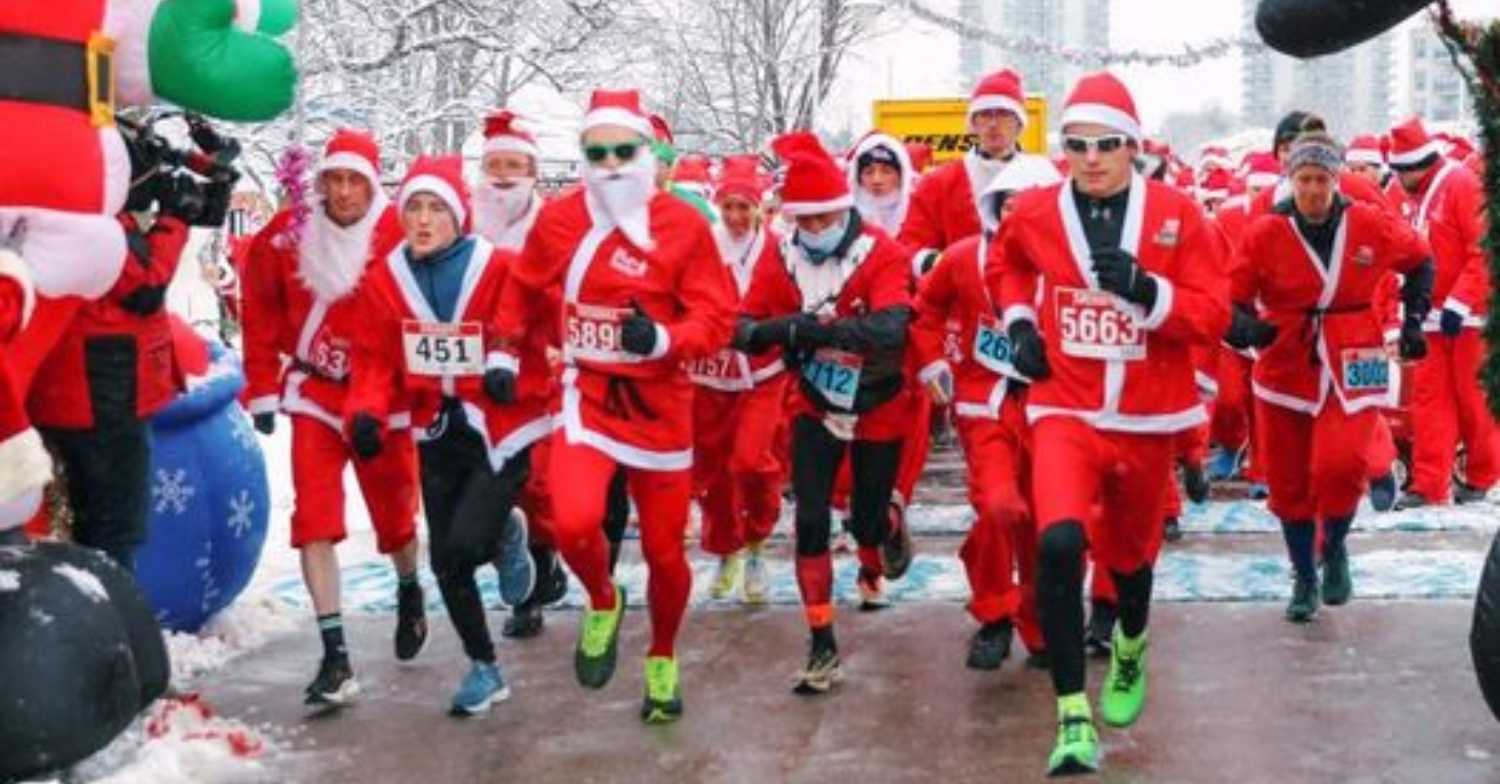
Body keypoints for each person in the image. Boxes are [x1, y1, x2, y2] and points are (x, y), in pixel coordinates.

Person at [990, 71, 1230, 775]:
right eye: (1077, 144)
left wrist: (1148, 292)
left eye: (1106, 144)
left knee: (1130, 563)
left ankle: (1131, 641)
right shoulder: (1035, 211)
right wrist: (1020, 322)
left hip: (1149, 416)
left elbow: (1212, 314)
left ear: (1134, 146)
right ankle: (1071, 715)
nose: (1091, 157)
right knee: (1059, 543)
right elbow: (1005, 268)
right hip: (1064, 405)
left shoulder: (1178, 214)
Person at [494, 89, 736, 724]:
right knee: (572, 519)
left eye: (623, 150)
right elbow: (524, 285)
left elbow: (716, 315)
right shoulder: (560, 219)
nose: (610, 164)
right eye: (595, 152)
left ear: (648, 154)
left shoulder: (684, 226)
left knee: (664, 552)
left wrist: (663, 338)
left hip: (661, 405)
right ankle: (603, 598)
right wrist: (502, 349)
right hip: (588, 392)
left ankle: (662, 655)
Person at [345, 155, 553, 715]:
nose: (423, 219)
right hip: (436, 429)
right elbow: (373, 360)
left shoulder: (499, 267)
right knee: (446, 563)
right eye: (413, 206)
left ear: (458, 216)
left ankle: (506, 534)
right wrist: (365, 413)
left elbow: (534, 320)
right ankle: (484, 667)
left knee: (463, 543)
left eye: (436, 207)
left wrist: (510, 362)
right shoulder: (383, 281)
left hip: (501, 426)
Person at [241, 130, 440, 709]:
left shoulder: (401, 236)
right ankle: (335, 654)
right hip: (313, 394)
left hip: (384, 401)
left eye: (356, 180)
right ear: (321, 181)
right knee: (315, 518)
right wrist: (259, 390)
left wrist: (434, 395)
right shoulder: (285, 236)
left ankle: (408, 586)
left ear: (373, 184)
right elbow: (258, 313)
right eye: (335, 179)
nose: (345, 191)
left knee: (395, 516)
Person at [1229, 131, 1434, 623]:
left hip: (1354, 351)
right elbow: (1233, 293)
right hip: (1285, 363)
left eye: (1322, 178)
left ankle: (1335, 544)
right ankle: (1304, 575)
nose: (1314, 190)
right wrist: (1242, 326)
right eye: (1304, 179)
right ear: (1290, 180)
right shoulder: (1265, 232)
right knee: (1289, 479)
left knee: (1340, 467)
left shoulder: (1368, 224)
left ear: (1336, 178)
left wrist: (1411, 321)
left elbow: (1421, 259)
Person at [738, 131, 914, 694]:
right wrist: (786, 329)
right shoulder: (779, 255)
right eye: (805, 222)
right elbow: (742, 328)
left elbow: (894, 324)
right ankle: (821, 643)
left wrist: (828, 330)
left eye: (826, 219)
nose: (815, 231)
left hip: (879, 402)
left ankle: (883, 523)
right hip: (815, 404)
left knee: (862, 522)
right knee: (810, 518)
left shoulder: (882, 251)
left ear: (846, 209)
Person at [912, 159, 1060, 670]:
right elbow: (925, 309)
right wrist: (932, 361)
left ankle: (1041, 621)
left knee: (1047, 524)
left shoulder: (1066, 263)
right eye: (1008, 202)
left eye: (1028, 202)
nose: (1016, 212)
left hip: (1051, 410)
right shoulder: (961, 258)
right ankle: (995, 613)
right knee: (1000, 508)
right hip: (985, 407)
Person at [27, 158, 203, 572]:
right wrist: (173, 222)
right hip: (103, 392)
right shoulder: (89, 219)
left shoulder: (51, 207)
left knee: (85, 526)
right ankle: (112, 625)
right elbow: (144, 286)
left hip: (69, 387)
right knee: (113, 532)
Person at [1384, 118, 1498, 509]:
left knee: (1475, 401)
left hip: (1470, 318)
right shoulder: (1407, 192)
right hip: (1431, 317)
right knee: (1430, 403)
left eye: (1404, 172)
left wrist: (1462, 300)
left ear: (1421, 163)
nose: (1400, 180)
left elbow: (1484, 249)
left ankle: (1486, 477)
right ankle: (1429, 484)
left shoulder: (1462, 185)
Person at [695, 155, 785, 604]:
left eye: (743, 207)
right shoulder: (702, 246)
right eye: (728, 206)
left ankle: (756, 542)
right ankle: (725, 548)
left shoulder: (777, 248)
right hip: (709, 378)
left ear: (759, 209)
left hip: (763, 375)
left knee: (751, 461)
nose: (735, 217)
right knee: (711, 472)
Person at [900, 67, 1055, 276]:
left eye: (1003, 114)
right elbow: (911, 245)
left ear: (1019, 123)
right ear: (972, 123)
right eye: (984, 114)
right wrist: (942, 264)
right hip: (962, 298)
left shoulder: (1043, 177)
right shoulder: (940, 183)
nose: (993, 123)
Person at [472, 110, 544, 252]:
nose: (502, 174)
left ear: (531, 171)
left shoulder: (548, 220)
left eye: (513, 165)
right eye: (493, 164)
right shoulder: (463, 219)